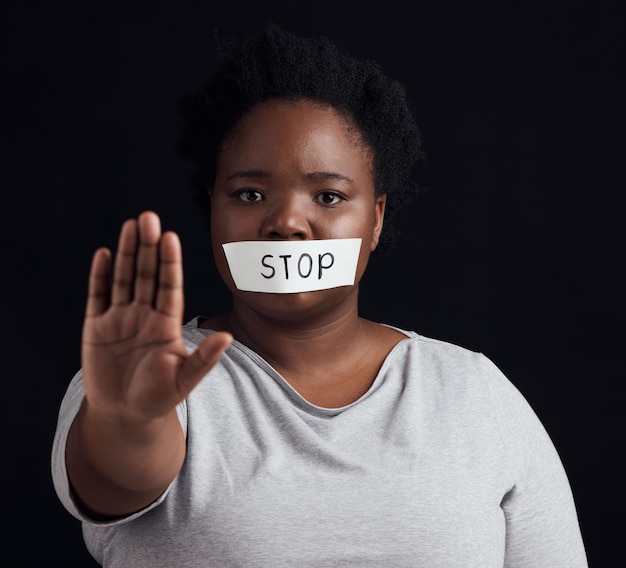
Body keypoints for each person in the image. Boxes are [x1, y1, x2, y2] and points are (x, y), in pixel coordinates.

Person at [51, 22, 588, 567]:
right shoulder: (144, 379)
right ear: (213, 207)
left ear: (374, 220)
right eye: (250, 193)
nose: (286, 221)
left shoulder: (474, 396)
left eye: (329, 196)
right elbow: (116, 477)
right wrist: (129, 424)